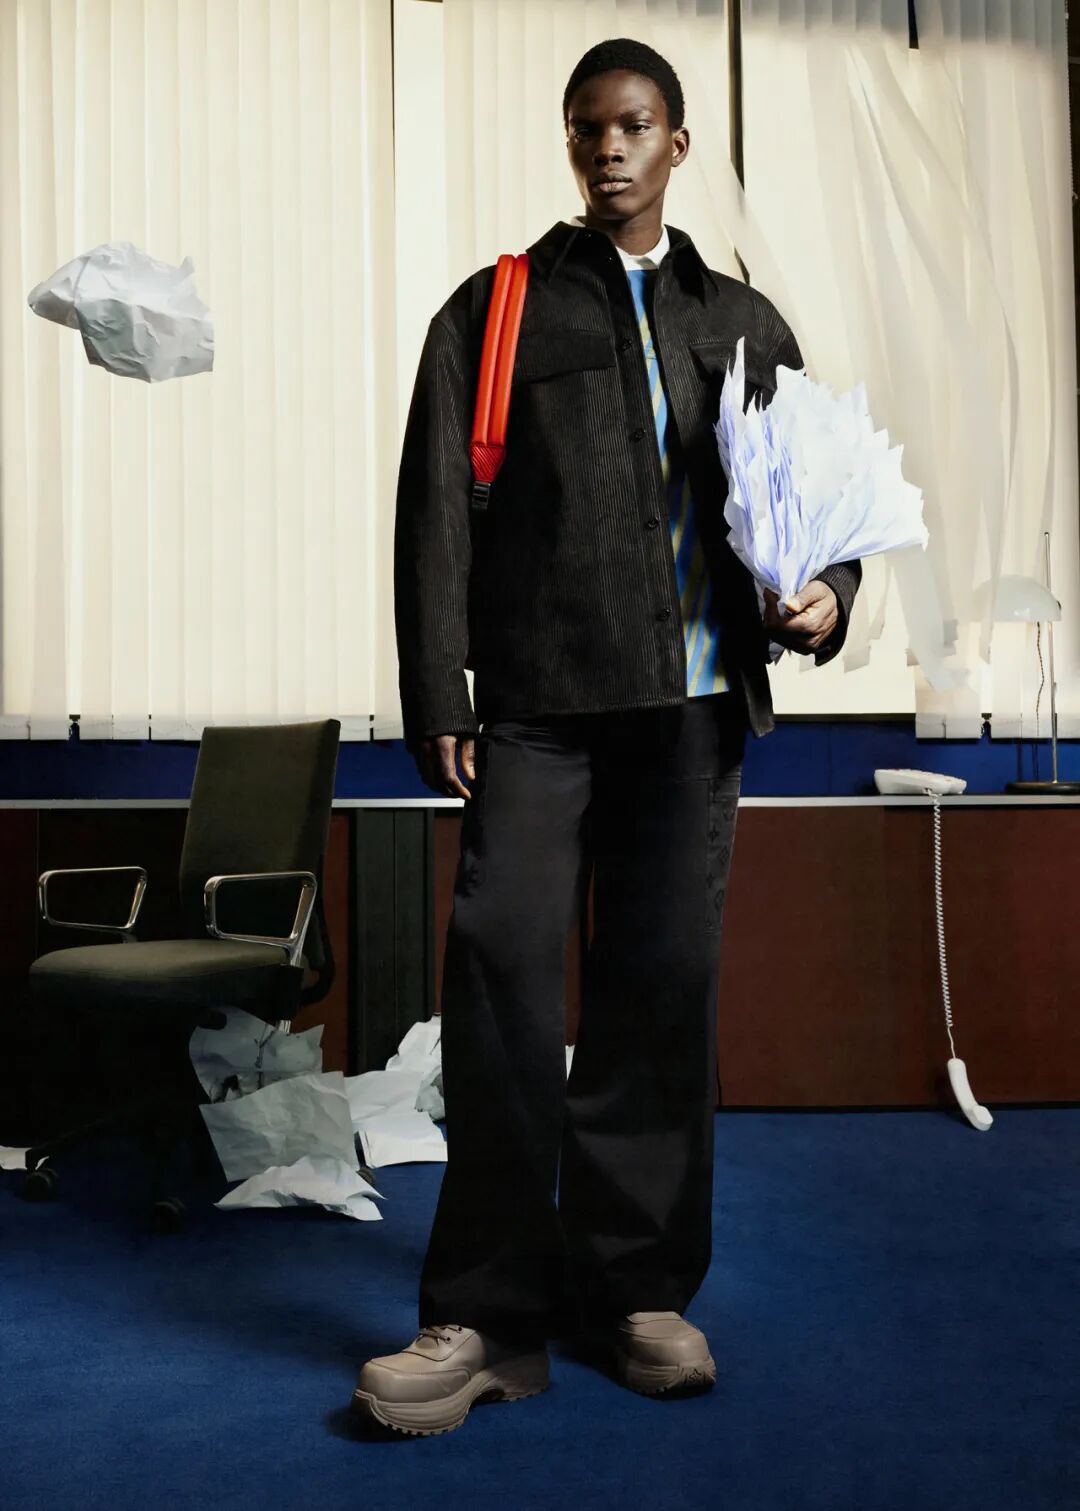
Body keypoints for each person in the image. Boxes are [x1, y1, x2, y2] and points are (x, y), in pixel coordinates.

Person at [352, 37, 862, 1437]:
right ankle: (482, 1315)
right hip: (540, 710)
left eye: (634, 125)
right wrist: (439, 695)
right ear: (571, 145)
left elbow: (818, 505)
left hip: (693, 715)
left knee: (658, 997)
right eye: (588, 128)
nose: (610, 148)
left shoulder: (744, 323)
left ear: (676, 143)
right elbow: (434, 515)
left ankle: (637, 1291)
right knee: (502, 984)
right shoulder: (494, 310)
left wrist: (829, 596)